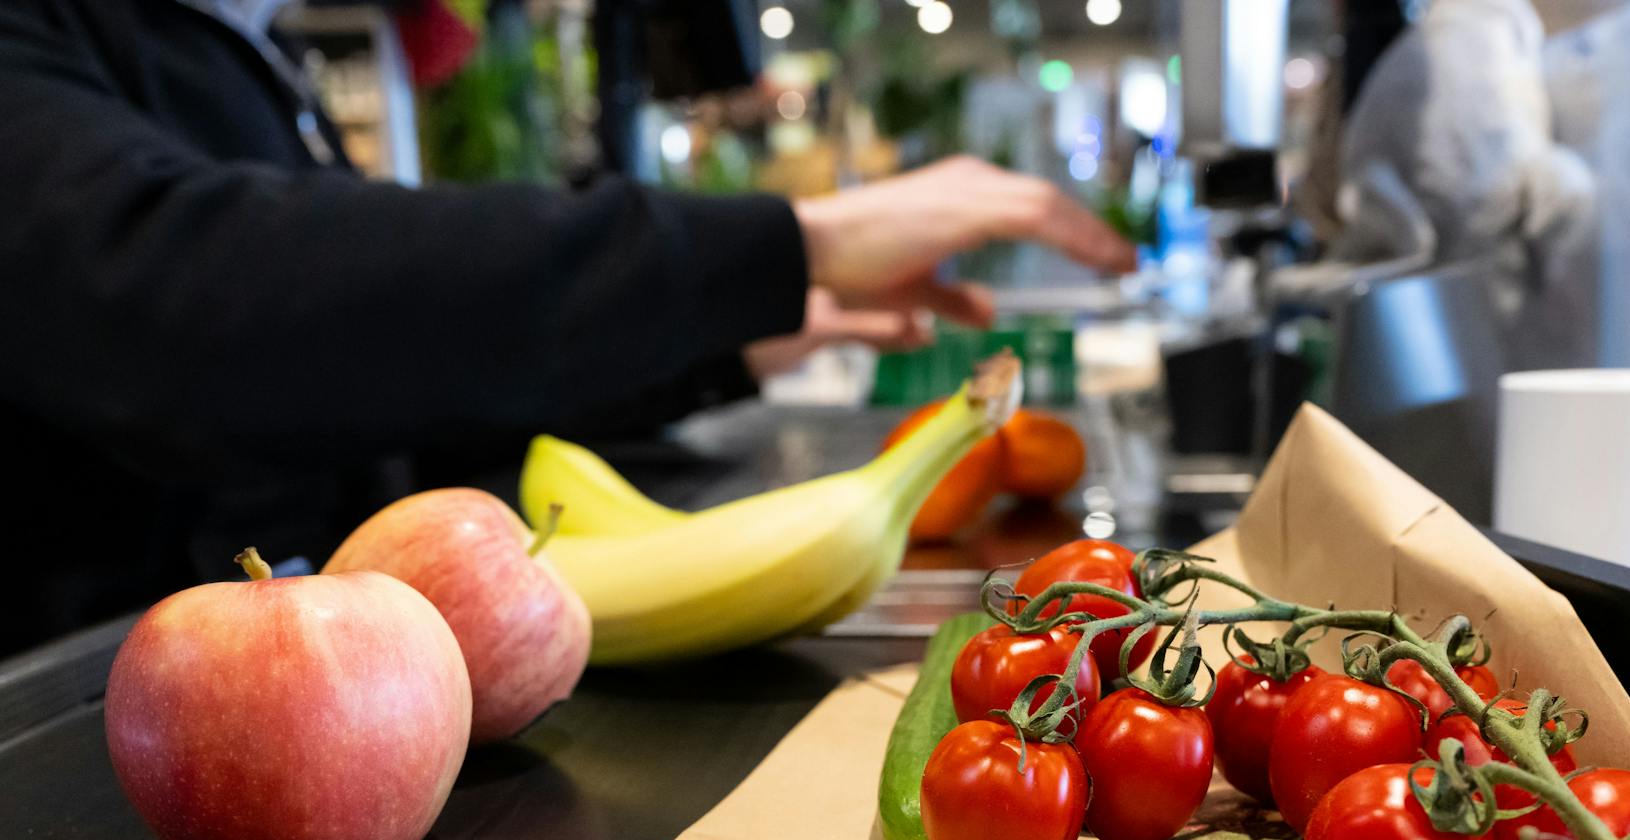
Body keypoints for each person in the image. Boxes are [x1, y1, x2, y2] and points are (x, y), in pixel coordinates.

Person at [0, 0, 1136, 657]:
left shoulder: (240, 54)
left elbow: (389, 388)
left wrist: (728, 344)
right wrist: (773, 243)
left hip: (334, 684)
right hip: (92, 737)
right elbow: (195, 309)